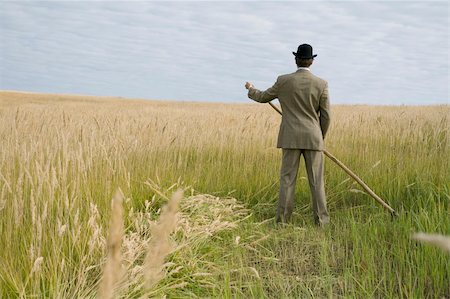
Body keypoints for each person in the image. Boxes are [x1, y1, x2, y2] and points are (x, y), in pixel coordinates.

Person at [244, 44, 330, 226]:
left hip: (290, 137)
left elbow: (263, 97)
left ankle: (282, 222)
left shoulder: (283, 81)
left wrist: (251, 89)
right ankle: (322, 221)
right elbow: (326, 115)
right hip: (313, 138)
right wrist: (320, 137)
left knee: (287, 180)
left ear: (296, 59)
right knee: (317, 182)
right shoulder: (321, 84)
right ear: (312, 61)